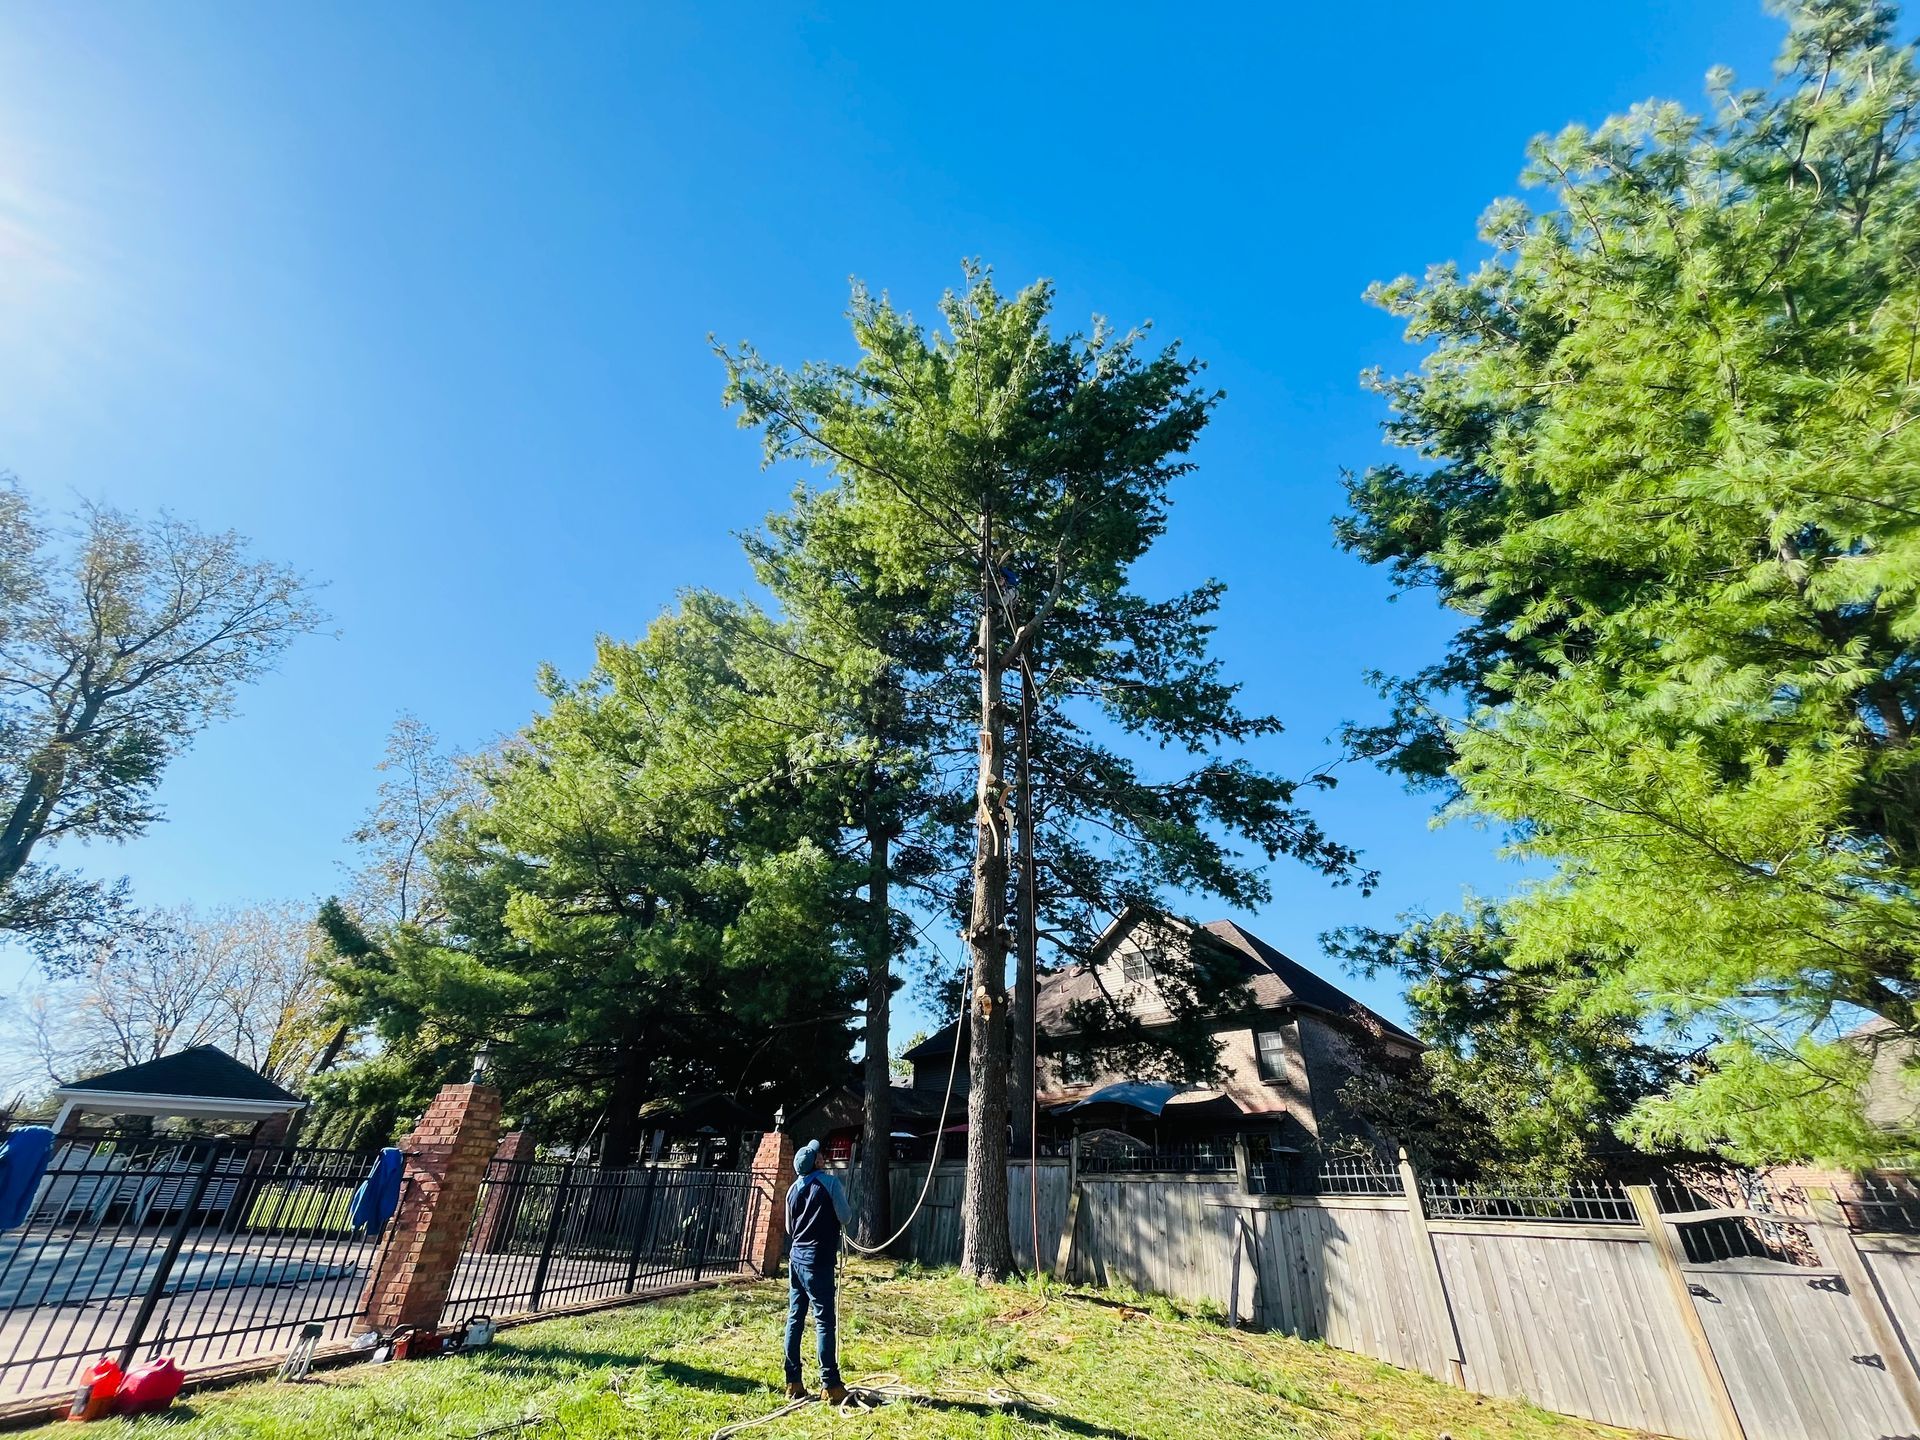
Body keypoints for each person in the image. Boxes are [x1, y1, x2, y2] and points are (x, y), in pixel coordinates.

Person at [783, 1138, 849, 1402]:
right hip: (818, 1262)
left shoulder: (792, 1190)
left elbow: (789, 1229)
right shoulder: (831, 1183)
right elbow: (845, 1217)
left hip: (796, 1260)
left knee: (795, 1318)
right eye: (819, 1154)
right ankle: (831, 1385)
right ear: (817, 1161)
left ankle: (793, 1382)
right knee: (824, 1322)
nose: (822, 1155)